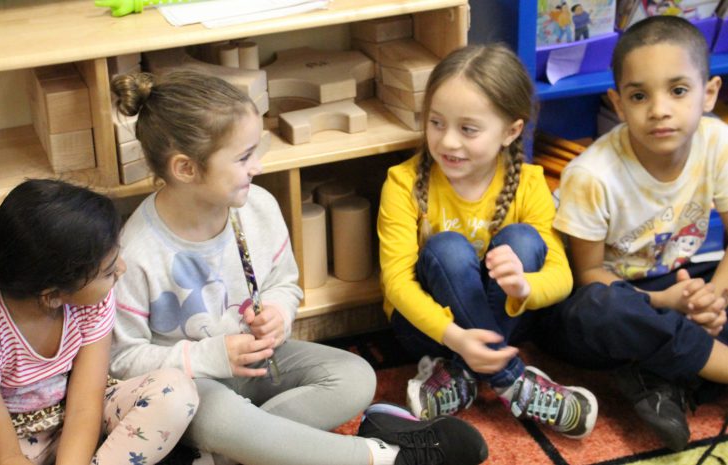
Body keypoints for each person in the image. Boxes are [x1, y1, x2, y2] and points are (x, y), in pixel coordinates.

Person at [107, 69, 488, 465]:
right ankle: (384, 456)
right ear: (185, 168)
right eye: (242, 157)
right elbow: (122, 361)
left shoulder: (258, 207)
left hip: (261, 366)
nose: (257, 165)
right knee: (221, 418)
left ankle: (243, 452)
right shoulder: (135, 252)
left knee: (356, 377)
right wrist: (210, 357)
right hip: (194, 387)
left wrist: (277, 313)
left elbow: (284, 284)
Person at [377, 43, 598, 439]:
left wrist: (525, 286)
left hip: (505, 321)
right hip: (430, 330)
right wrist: (457, 338)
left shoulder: (529, 183)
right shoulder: (403, 182)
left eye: (468, 129)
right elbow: (396, 282)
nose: (447, 142)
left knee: (523, 240)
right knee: (447, 248)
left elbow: (563, 276)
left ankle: (460, 378)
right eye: (436, 123)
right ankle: (512, 382)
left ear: (511, 131)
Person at [539, 15, 728, 452]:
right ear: (618, 104)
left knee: (692, 310)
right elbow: (588, 276)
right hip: (606, 300)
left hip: (676, 282)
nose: (659, 109)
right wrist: (666, 303)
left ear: (709, 94)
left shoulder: (717, 142)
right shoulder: (591, 175)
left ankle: (659, 377)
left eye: (678, 90)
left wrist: (715, 297)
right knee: (599, 311)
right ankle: (702, 371)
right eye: (639, 95)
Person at [0, 179, 197, 465]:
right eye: (108, 271)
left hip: (75, 421)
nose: (121, 270)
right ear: (53, 296)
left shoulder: (92, 300)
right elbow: (4, 455)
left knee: (175, 391)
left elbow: (85, 406)